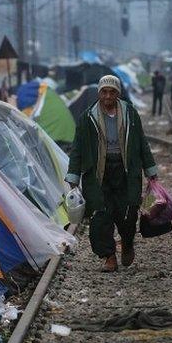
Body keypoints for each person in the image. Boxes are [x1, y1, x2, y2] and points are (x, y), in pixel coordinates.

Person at [65, 75, 158, 272]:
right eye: (104, 92)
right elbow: (78, 148)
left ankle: (127, 242)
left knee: (128, 213)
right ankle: (108, 256)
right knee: (100, 215)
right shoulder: (87, 117)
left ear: (118, 93)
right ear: (99, 93)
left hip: (126, 171)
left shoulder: (130, 114)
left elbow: (141, 142)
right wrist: (73, 176)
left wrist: (150, 170)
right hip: (98, 174)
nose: (108, 96)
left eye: (112, 92)